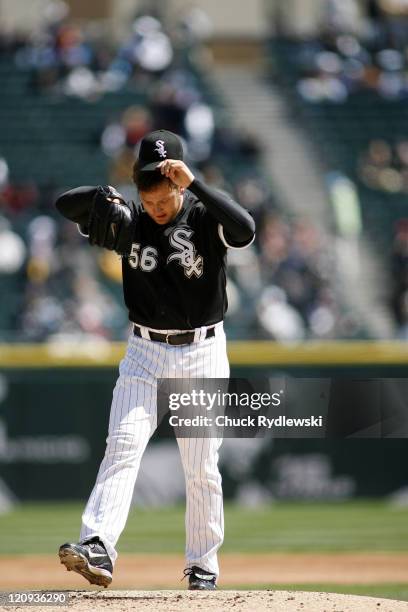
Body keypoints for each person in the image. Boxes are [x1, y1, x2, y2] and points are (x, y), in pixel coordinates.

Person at [55, 129, 255, 590]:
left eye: (163, 198)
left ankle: (202, 564)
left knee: (201, 466)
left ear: (179, 185)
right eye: (147, 197)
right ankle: (98, 545)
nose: (155, 208)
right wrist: (101, 195)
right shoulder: (128, 217)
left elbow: (246, 228)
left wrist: (198, 183)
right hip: (144, 351)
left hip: (202, 351)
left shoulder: (204, 216)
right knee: (122, 446)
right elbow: (66, 205)